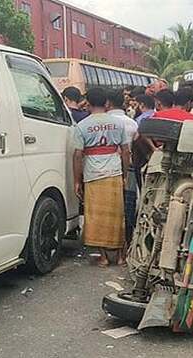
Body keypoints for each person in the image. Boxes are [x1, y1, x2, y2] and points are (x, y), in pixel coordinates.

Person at [72, 87, 130, 267]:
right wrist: (125, 173)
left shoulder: (82, 126)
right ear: (107, 103)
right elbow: (126, 151)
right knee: (117, 215)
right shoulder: (119, 124)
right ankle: (120, 256)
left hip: (93, 175)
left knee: (96, 216)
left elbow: (77, 155)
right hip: (114, 172)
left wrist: (76, 180)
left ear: (87, 103)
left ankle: (104, 257)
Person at [106, 89, 139, 251]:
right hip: (129, 169)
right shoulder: (132, 123)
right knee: (127, 206)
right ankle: (126, 244)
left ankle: (108, 243)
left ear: (108, 103)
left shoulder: (102, 121)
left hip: (106, 169)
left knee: (108, 208)